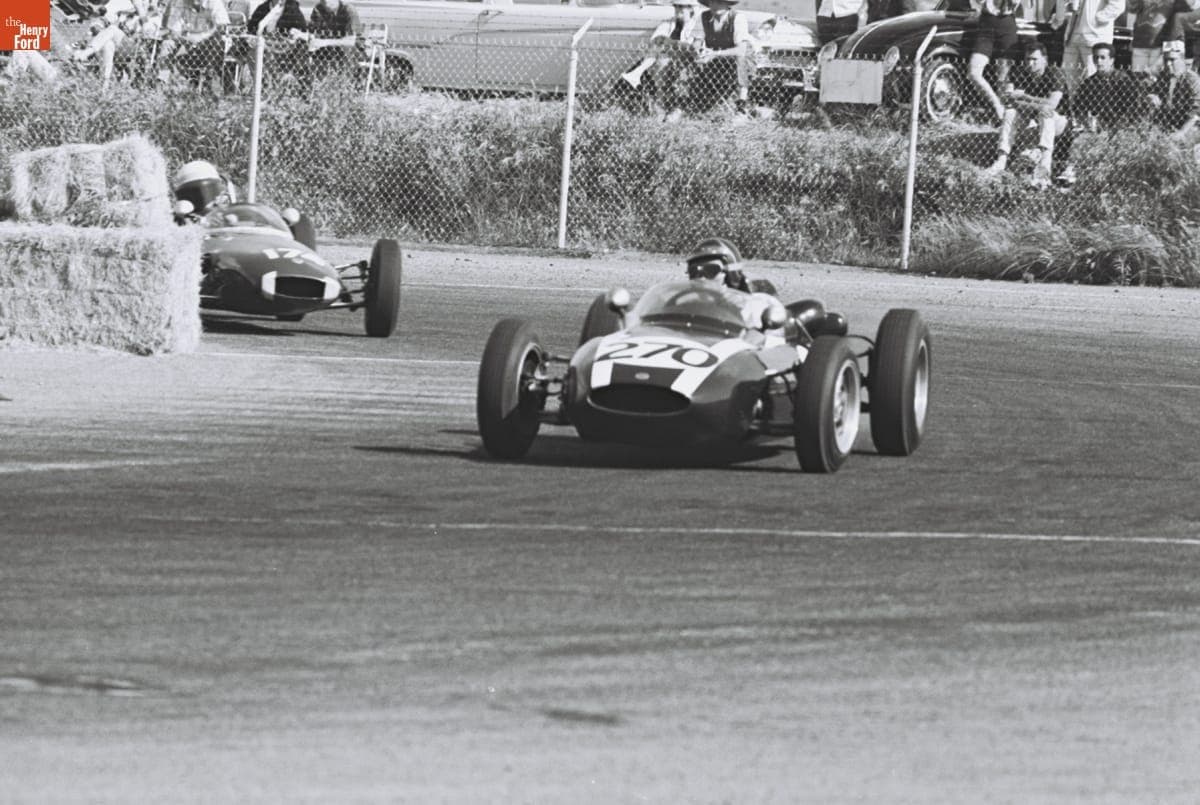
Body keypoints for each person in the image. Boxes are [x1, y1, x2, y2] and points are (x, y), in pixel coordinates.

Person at [987, 41, 1074, 188]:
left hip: (1059, 123)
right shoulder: (1018, 71)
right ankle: (1001, 160)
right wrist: (1034, 104)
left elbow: (1052, 105)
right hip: (1031, 123)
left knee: (1046, 114)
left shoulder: (1055, 72)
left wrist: (1025, 97)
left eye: (1035, 59)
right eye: (1028, 59)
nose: (1030, 63)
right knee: (1010, 113)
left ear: (1044, 60)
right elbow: (1008, 100)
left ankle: (1044, 167)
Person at [685, 238, 786, 333]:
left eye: (711, 271)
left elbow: (774, 342)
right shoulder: (686, 309)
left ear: (731, 275)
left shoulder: (755, 307)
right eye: (694, 272)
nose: (701, 278)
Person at [621, 0, 698, 119]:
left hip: (685, 63)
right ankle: (659, 105)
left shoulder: (695, 24)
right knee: (660, 53)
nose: (678, 10)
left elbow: (692, 48)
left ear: (691, 9)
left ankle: (638, 72)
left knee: (661, 49)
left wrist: (669, 43)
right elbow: (655, 39)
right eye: (676, 6)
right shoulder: (669, 23)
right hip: (663, 59)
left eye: (682, 7)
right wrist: (668, 44)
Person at [684, 0, 754, 116]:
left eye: (721, 2)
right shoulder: (703, 17)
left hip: (741, 57)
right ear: (709, 3)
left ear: (728, 4)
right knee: (690, 61)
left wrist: (715, 54)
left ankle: (742, 106)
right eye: (714, 2)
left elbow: (741, 50)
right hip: (717, 56)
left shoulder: (737, 18)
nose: (717, 6)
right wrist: (698, 52)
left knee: (740, 60)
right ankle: (687, 102)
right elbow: (697, 41)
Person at [1052, 0, 1126, 89]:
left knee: (1093, 78)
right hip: (1072, 36)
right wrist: (1060, 17)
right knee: (1070, 79)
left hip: (1094, 38)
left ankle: (1094, 102)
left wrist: (1098, 18)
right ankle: (1074, 102)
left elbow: (1118, 4)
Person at [1073, 41, 1146, 129]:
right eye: (1096, 57)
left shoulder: (1123, 80)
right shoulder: (1089, 83)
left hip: (1123, 124)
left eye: (1103, 58)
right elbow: (1079, 107)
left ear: (1111, 60)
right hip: (1098, 124)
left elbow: (1134, 107)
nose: (1099, 61)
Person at [969, 0, 1020, 123]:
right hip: (986, 24)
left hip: (1006, 23)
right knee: (973, 72)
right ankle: (996, 104)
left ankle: (1003, 119)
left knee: (1003, 78)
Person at [160, 0, 230, 89]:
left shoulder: (214, 3)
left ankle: (208, 81)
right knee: (168, 43)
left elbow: (221, 27)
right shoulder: (181, 3)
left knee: (218, 41)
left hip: (208, 42)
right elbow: (174, 30)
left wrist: (202, 37)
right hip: (187, 41)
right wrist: (187, 38)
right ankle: (162, 81)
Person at [1147, 38, 1200, 137]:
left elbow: (1196, 112)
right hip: (1169, 123)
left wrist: (1181, 133)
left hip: (1190, 125)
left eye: (1172, 59)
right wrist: (1151, 97)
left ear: (1182, 60)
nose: (1168, 64)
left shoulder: (1193, 80)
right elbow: (1153, 92)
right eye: (1166, 60)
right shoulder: (1164, 77)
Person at [306, 0, 362, 75]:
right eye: (322, 1)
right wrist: (300, 34)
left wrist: (324, 42)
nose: (325, 3)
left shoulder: (349, 10)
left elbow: (351, 40)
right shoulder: (319, 8)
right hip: (326, 52)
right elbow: (312, 32)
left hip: (349, 52)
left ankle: (347, 78)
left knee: (346, 49)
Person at [1126, 0, 1174, 74]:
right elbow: (1131, 8)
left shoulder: (1171, 3)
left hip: (1158, 46)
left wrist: (1168, 49)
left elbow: (1175, 26)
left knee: (1153, 77)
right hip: (1139, 44)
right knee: (1137, 76)